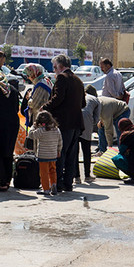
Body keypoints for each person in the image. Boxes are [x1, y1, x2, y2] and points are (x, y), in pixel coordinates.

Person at [42, 54, 86, 192]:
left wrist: (44, 107)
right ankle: (68, 183)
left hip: (64, 123)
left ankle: (59, 183)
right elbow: (83, 103)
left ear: (60, 66)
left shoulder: (62, 77)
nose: (54, 70)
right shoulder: (78, 80)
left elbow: (58, 98)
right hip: (77, 123)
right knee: (71, 156)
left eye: (55, 67)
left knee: (60, 153)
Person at [27, 111, 62, 196]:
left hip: (43, 155)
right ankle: (54, 184)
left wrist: (33, 126)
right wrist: (59, 150)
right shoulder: (56, 129)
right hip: (53, 154)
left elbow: (31, 135)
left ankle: (46, 189)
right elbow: (60, 141)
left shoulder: (41, 130)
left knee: (44, 172)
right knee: (53, 170)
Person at [79, 85, 101, 183]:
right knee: (86, 150)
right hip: (87, 120)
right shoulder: (95, 99)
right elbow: (96, 118)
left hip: (75, 118)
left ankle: (76, 177)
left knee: (74, 151)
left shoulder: (79, 95)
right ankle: (87, 176)